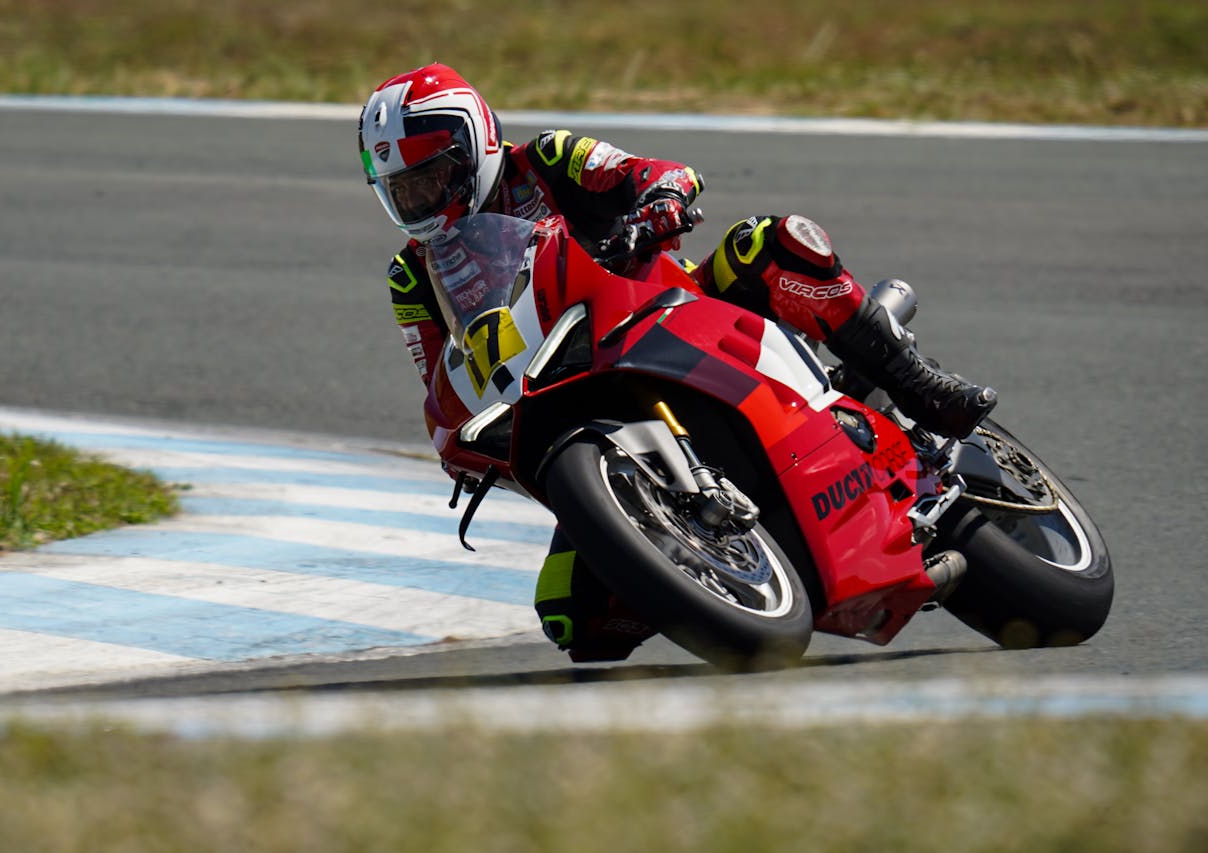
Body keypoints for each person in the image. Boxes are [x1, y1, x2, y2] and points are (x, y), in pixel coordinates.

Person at [359, 63, 997, 663]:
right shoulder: (410, 276)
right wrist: (459, 437)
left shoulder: (549, 159)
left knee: (768, 243)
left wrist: (659, 200)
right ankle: (719, 558)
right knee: (573, 619)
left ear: (475, 148)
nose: (419, 199)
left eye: (430, 177)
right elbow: (442, 372)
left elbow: (657, 172)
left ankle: (918, 388)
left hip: (671, 310)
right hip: (570, 395)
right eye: (402, 189)